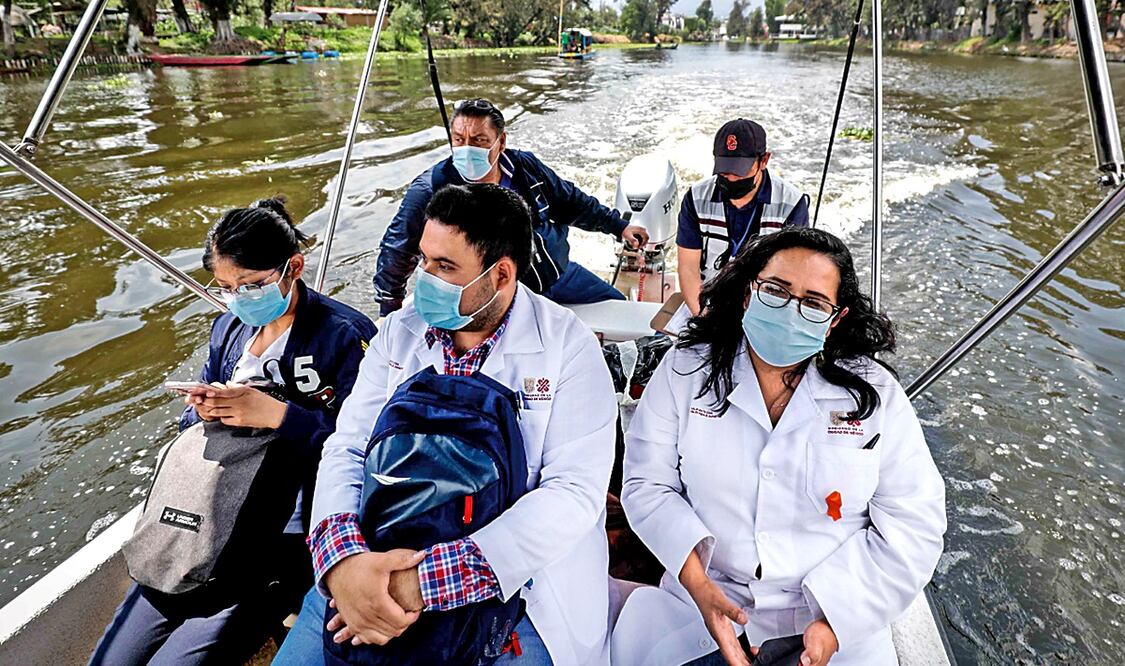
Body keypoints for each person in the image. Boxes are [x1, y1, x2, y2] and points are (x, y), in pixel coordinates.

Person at [276, 183, 618, 665]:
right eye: (423, 260)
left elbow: (572, 493)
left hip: (514, 590)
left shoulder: (568, 348)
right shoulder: (399, 331)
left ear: (500, 275)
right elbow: (348, 447)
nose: (424, 280)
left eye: (445, 267)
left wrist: (422, 582)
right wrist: (342, 561)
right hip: (374, 561)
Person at [612, 227, 946, 665]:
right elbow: (647, 484)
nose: (791, 311)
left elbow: (913, 524)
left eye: (813, 303)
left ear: (835, 320)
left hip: (837, 614)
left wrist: (831, 626)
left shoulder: (874, 394)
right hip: (701, 598)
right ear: (749, 293)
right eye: (776, 290)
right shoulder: (685, 369)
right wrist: (698, 584)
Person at [90, 198, 377, 666]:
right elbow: (191, 426)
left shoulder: (344, 336)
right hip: (209, 520)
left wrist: (279, 416)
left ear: (294, 267)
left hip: (284, 538)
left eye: (250, 285)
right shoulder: (228, 330)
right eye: (226, 287)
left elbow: (368, 450)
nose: (238, 298)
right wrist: (204, 410)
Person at [373, 98, 650, 316]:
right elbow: (398, 247)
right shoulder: (430, 190)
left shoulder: (525, 169)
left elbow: (571, 202)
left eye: (479, 140)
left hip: (555, 274)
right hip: (494, 298)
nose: (467, 149)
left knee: (618, 306)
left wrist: (619, 226)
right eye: (459, 140)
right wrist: (389, 309)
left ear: (501, 141)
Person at [677, 119, 809, 317]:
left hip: (765, 306)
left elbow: (791, 276)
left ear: (764, 160)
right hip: (708, 300)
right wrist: (703, 316)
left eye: (740, 170)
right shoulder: (696, 197)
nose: (731, 178)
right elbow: (688, 268)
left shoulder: (792, 204)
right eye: (724, 169)